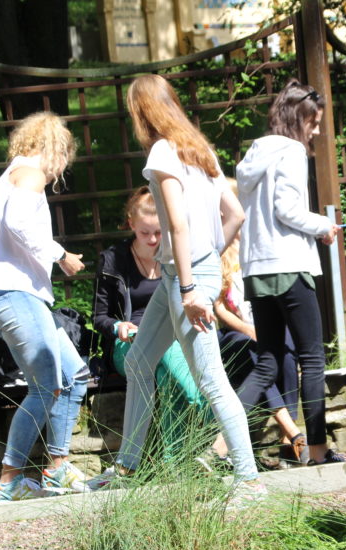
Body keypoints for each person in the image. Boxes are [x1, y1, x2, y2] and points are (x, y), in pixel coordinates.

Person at [93, 73, 258, 488]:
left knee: (211, 380)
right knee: (138, 362)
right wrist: (207, 258)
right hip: (187, 270)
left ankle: (249, 481)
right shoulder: (200, 151)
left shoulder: (164, 153)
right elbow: (235, 214)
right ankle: (128, 468)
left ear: (141, 111)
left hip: (183, 278)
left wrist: (189, 286)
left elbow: (178, 226)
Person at [0, 111, 89, 502]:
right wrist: (62, 255)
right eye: (63, 161)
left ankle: (55, 469)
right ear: (55, 150)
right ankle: (9, 481)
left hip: (11, 295)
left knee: (73, 375)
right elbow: (19, 221)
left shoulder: (6, 179)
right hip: (12, 294)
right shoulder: (30, 173)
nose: (59, 172)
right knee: (45, 386)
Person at [236, 79, 344, 466]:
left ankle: (217, 446)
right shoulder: (293, 151)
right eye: (313, 123)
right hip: (290, 267)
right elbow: (287, 209)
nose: (316, 131)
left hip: (256, 271)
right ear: (299, 119)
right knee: (312, 359)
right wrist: (323, 227)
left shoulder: (255, 154)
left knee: (267, 362)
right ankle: (315, 451)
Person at [91, 186, 211, 460]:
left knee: (170, 376)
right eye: (145, 233)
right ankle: (182, 458)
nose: (153, 239)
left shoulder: (178, 255)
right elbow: (99, 317)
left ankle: (174, 463)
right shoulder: (113, 260)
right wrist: (118, 326)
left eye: (159, 232)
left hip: (176, 339)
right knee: (178, 372)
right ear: (131, 224)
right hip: (129, 344)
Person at [213, 238, 306, 462]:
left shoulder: (255, 247)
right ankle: (291, 431)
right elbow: (217, 308)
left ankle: (287, 439)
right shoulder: (216, 253)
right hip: (235, 334)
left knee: (286, 341)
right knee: (255, 347)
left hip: (265, 325)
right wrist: (247, 328)